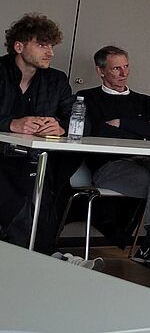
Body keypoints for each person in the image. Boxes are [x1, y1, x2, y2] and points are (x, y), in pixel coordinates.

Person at [78, 45, 150, 292]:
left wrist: (122, 123)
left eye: (126, 67)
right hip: (110, 166)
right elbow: (96, 131)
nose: (123, 73)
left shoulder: (145, 101)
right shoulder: (87, 99)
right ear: (100, 71)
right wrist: (142, 129)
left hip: (148, 162)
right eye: (116, 68)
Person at [0, 13, 81, 254]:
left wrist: (61, 126)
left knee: (42, 198)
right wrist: (10, 124)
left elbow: (79, 118)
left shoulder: (56, 80)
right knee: (22, 201)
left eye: (51, 46)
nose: (50, 53)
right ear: (19, 47)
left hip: (36, 161)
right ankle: (49, 258)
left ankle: (45, 257)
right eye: (42, 45)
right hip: (2, 159)